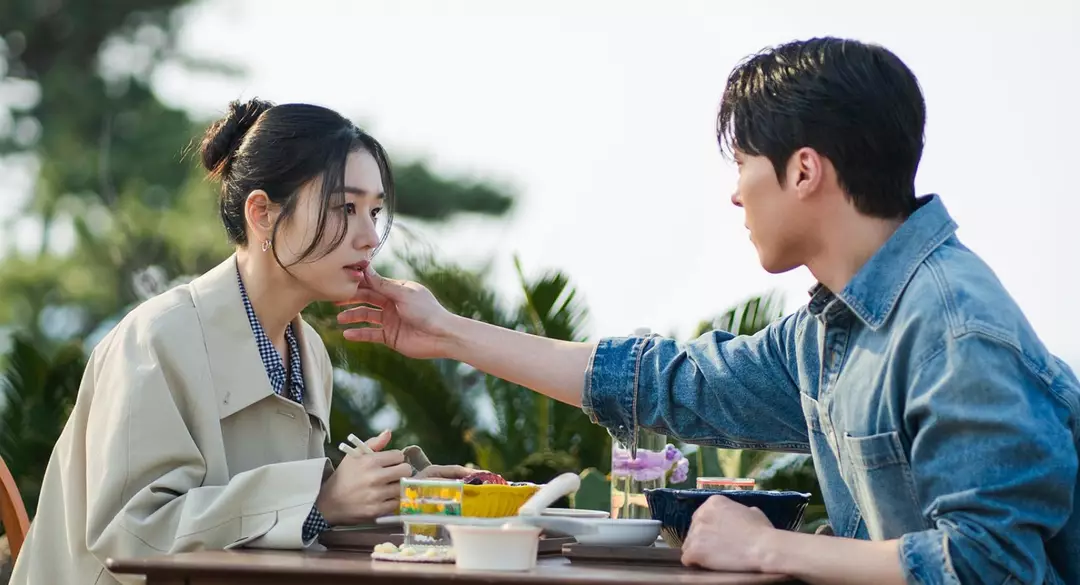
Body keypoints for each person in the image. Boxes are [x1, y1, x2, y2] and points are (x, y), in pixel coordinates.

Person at [336, 37, 1080, 585]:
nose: (734, 193)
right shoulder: (830, 333)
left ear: (804, 170)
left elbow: (991, 565)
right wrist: (449, 332)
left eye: (743, 164)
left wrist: (768, 545)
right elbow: (668, 383)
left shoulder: (954, 329)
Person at [10, 98, 471, 585]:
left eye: (374, 212)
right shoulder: (156, 338)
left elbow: (280, 529)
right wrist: (317, 501)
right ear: (262, 212)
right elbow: (129, 535)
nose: (369, 237)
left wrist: (399, 492)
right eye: (345, 208)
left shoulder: (309, 351)